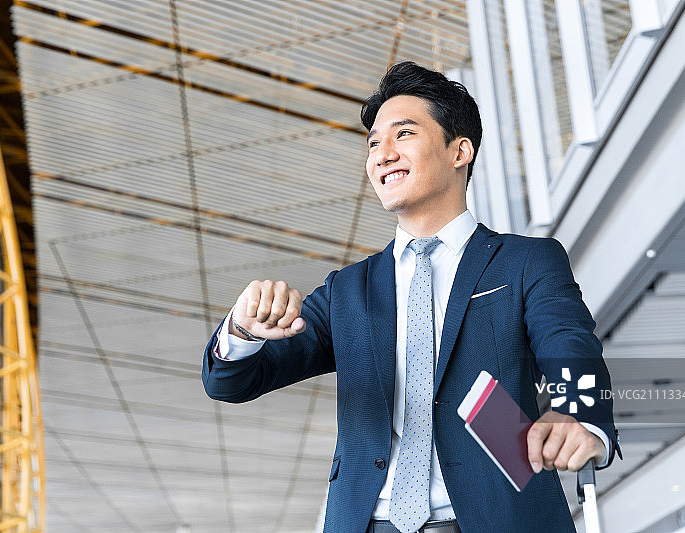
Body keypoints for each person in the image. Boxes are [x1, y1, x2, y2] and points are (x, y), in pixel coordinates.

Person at [202, 61, 620, 533]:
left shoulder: (524, 262)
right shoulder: (348, 292)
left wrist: (577, 413)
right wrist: (240, 330)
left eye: (403, 134)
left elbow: (570, 343)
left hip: (497, 519)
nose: (382, 154)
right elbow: (232, 383)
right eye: (374, 143)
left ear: (459, 151)